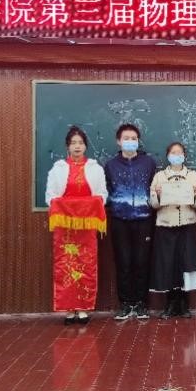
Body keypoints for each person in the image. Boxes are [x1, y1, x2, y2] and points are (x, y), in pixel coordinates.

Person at [45, 126, 107, 325]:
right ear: (67, 146)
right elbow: (50, 197)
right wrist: (68, 207)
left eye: (80, 143)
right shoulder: (58, 169)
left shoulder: (96, 169)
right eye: (73, 143)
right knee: (65, 265)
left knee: (86, 264)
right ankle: (68, 309)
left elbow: (102, 195)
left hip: (86, 226)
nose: (77, 146)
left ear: (86, 146)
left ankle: (83, 308)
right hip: (65, 227)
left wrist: (84, 207)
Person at [105, 123, 157, 320]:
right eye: (126, 138)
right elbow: (106, 190)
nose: (130, 142)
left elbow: (154, 188)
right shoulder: (110, 165)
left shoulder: (149, 163)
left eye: (133, 139)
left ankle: (141, 304)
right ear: (118, 141)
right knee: (123, 262)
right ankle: (125, 303)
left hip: (144, 219)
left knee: (142, 262)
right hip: (119, 220)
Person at [149, 142, 196, 319]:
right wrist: (157, 194)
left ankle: (184, 304)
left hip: (187, 225)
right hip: (165, 226)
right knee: (168, 263)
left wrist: (194, 194)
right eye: (173, 153)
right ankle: (170, 304)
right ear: (168, 156)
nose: (177, 156)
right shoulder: (159, 177)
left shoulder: (194, 176)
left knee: (186, 263)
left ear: (185, 156)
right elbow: (153, 204)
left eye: (180, 153)